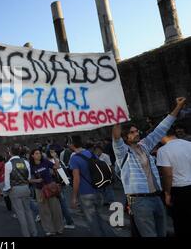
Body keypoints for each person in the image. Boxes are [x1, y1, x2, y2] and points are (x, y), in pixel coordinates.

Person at [112, 97, 186, 237]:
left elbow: (161, 128)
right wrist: (117, 116)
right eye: (132, 132)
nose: (136, 133)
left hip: (156, 197)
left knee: (162, 233)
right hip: (140, 201)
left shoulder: (144, 145)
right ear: (125, 137)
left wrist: (178, 106)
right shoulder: (123, 152)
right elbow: (116, 137)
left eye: (136, 131)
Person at [69, 135, 115, 237]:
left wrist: (74, 197)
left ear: (72, 145)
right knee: (99, 218)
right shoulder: (89, 153)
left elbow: (76, 179)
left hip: (85, 194)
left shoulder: (74, 158)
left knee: (93, 223)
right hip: (98, 190)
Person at [157, 126, 191, 237]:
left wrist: (167, 193)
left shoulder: (163, 150)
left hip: (180, 190)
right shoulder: (188, 144)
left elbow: (167, 174)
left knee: (181, 222)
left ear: (162, 135)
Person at [4, 144, 38, 237]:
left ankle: (26, 234)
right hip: (25, 188)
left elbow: (7, 181)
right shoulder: (25, 162)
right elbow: (29, 177)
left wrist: (6, 191)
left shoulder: (8, 164)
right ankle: (34, 233)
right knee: (28, 211)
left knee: (20, 213)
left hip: (15, 189)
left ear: (10, 153)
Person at [29, 148, 63, 236]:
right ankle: (49, 229)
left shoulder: (45, 162)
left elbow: (57, 167)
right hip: (39, 190)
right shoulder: (30, 166)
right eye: (36, 153)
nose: (38, 155)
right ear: (32, 155)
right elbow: (28, 179)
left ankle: (59, 228)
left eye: (39, 153)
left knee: (55, 209)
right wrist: (36, 181)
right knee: (44, 210)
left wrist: (55, 157)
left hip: (51, 188)